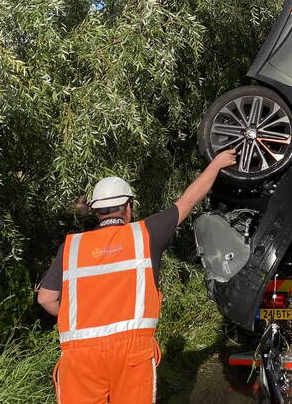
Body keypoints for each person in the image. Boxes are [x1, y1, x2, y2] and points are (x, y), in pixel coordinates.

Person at [37, 149, 238, 403]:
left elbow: (45, 298)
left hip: (80, 356)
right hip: (131, 353)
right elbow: (187, 201)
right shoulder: (145, 234)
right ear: (128, 207)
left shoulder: (71, 247)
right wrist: (217, 164)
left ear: (96, 211)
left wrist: (78, 320)